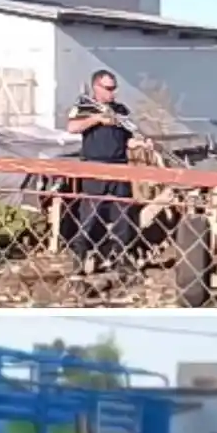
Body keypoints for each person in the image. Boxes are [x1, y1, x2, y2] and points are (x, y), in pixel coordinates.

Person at [65, 69, 136, 277]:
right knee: (90, 214)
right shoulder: (85, 107)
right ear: (96, 87)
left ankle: (120, 256)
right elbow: (72, 127)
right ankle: (80, 255)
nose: (113, 93)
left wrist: (139, 142)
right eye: (108, 88)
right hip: (95, 167)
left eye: (114, 88)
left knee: (122, 215)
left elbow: (127, 137)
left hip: (119, 167)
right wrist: (97, 119)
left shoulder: (121, 110)